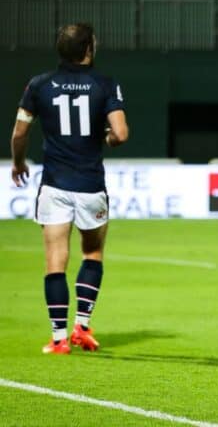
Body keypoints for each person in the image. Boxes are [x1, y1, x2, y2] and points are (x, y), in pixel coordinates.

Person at [10, 23, 129, 355]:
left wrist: (19, 163)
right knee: (92, 253)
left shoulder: (39, 85)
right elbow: (120, 134)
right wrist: (104, 137)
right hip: (90, 183)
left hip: (55, 185)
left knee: (54, 260)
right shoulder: (105, 84)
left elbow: (20, 134)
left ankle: (59, 338)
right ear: (89, 48)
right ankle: (83, 326)